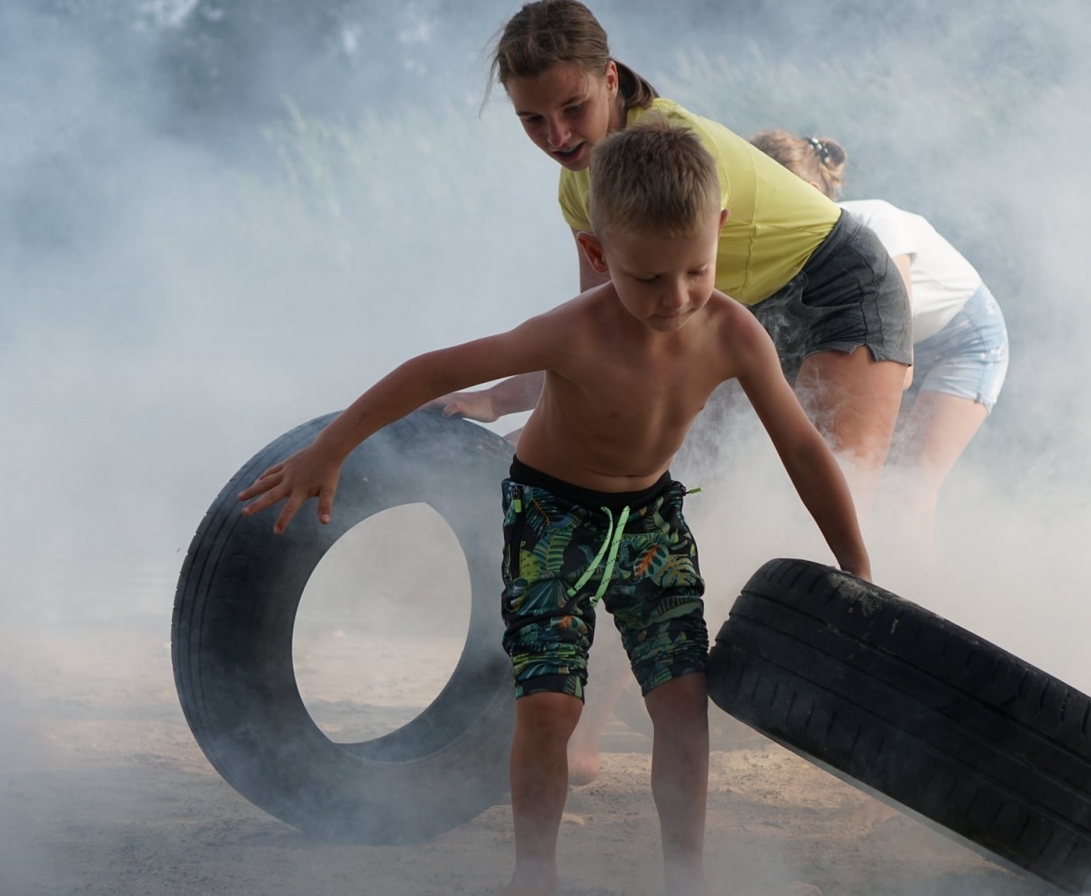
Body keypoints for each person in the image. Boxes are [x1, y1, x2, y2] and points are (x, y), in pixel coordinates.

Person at [239, 120, 871, 896]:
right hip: (550, 521)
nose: (673, 298)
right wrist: (329, 449)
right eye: (646, 279)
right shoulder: (570, 333)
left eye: (695, 271)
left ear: (721, 232)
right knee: (548, 708)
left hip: (650, 524)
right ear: (600, 256)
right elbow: (429, 370)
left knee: (681, 704)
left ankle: (689, 878)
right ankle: (533, 872)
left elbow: (802, 449)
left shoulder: (735, 334)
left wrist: (857, 565)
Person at [436, 0, 910, 786]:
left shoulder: (668, 151)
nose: (556, 136)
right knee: (645, 501)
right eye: (532, 120)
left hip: (836, 290)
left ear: (610, 78)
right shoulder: (581, 188)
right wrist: (495, 403)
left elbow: (643, 344)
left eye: (572, 107)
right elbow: (602, 334)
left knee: (829, 499)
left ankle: (892, 736)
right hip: (736, 309)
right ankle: (581, 739)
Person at [748, 130, 1010, 550]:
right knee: (849, 482)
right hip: (890, 350)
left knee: (905, 495)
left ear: (811, 193)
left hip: (963, 345)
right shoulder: (784, 252)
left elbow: (896, 360)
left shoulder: (874, 224)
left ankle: (926, 601)